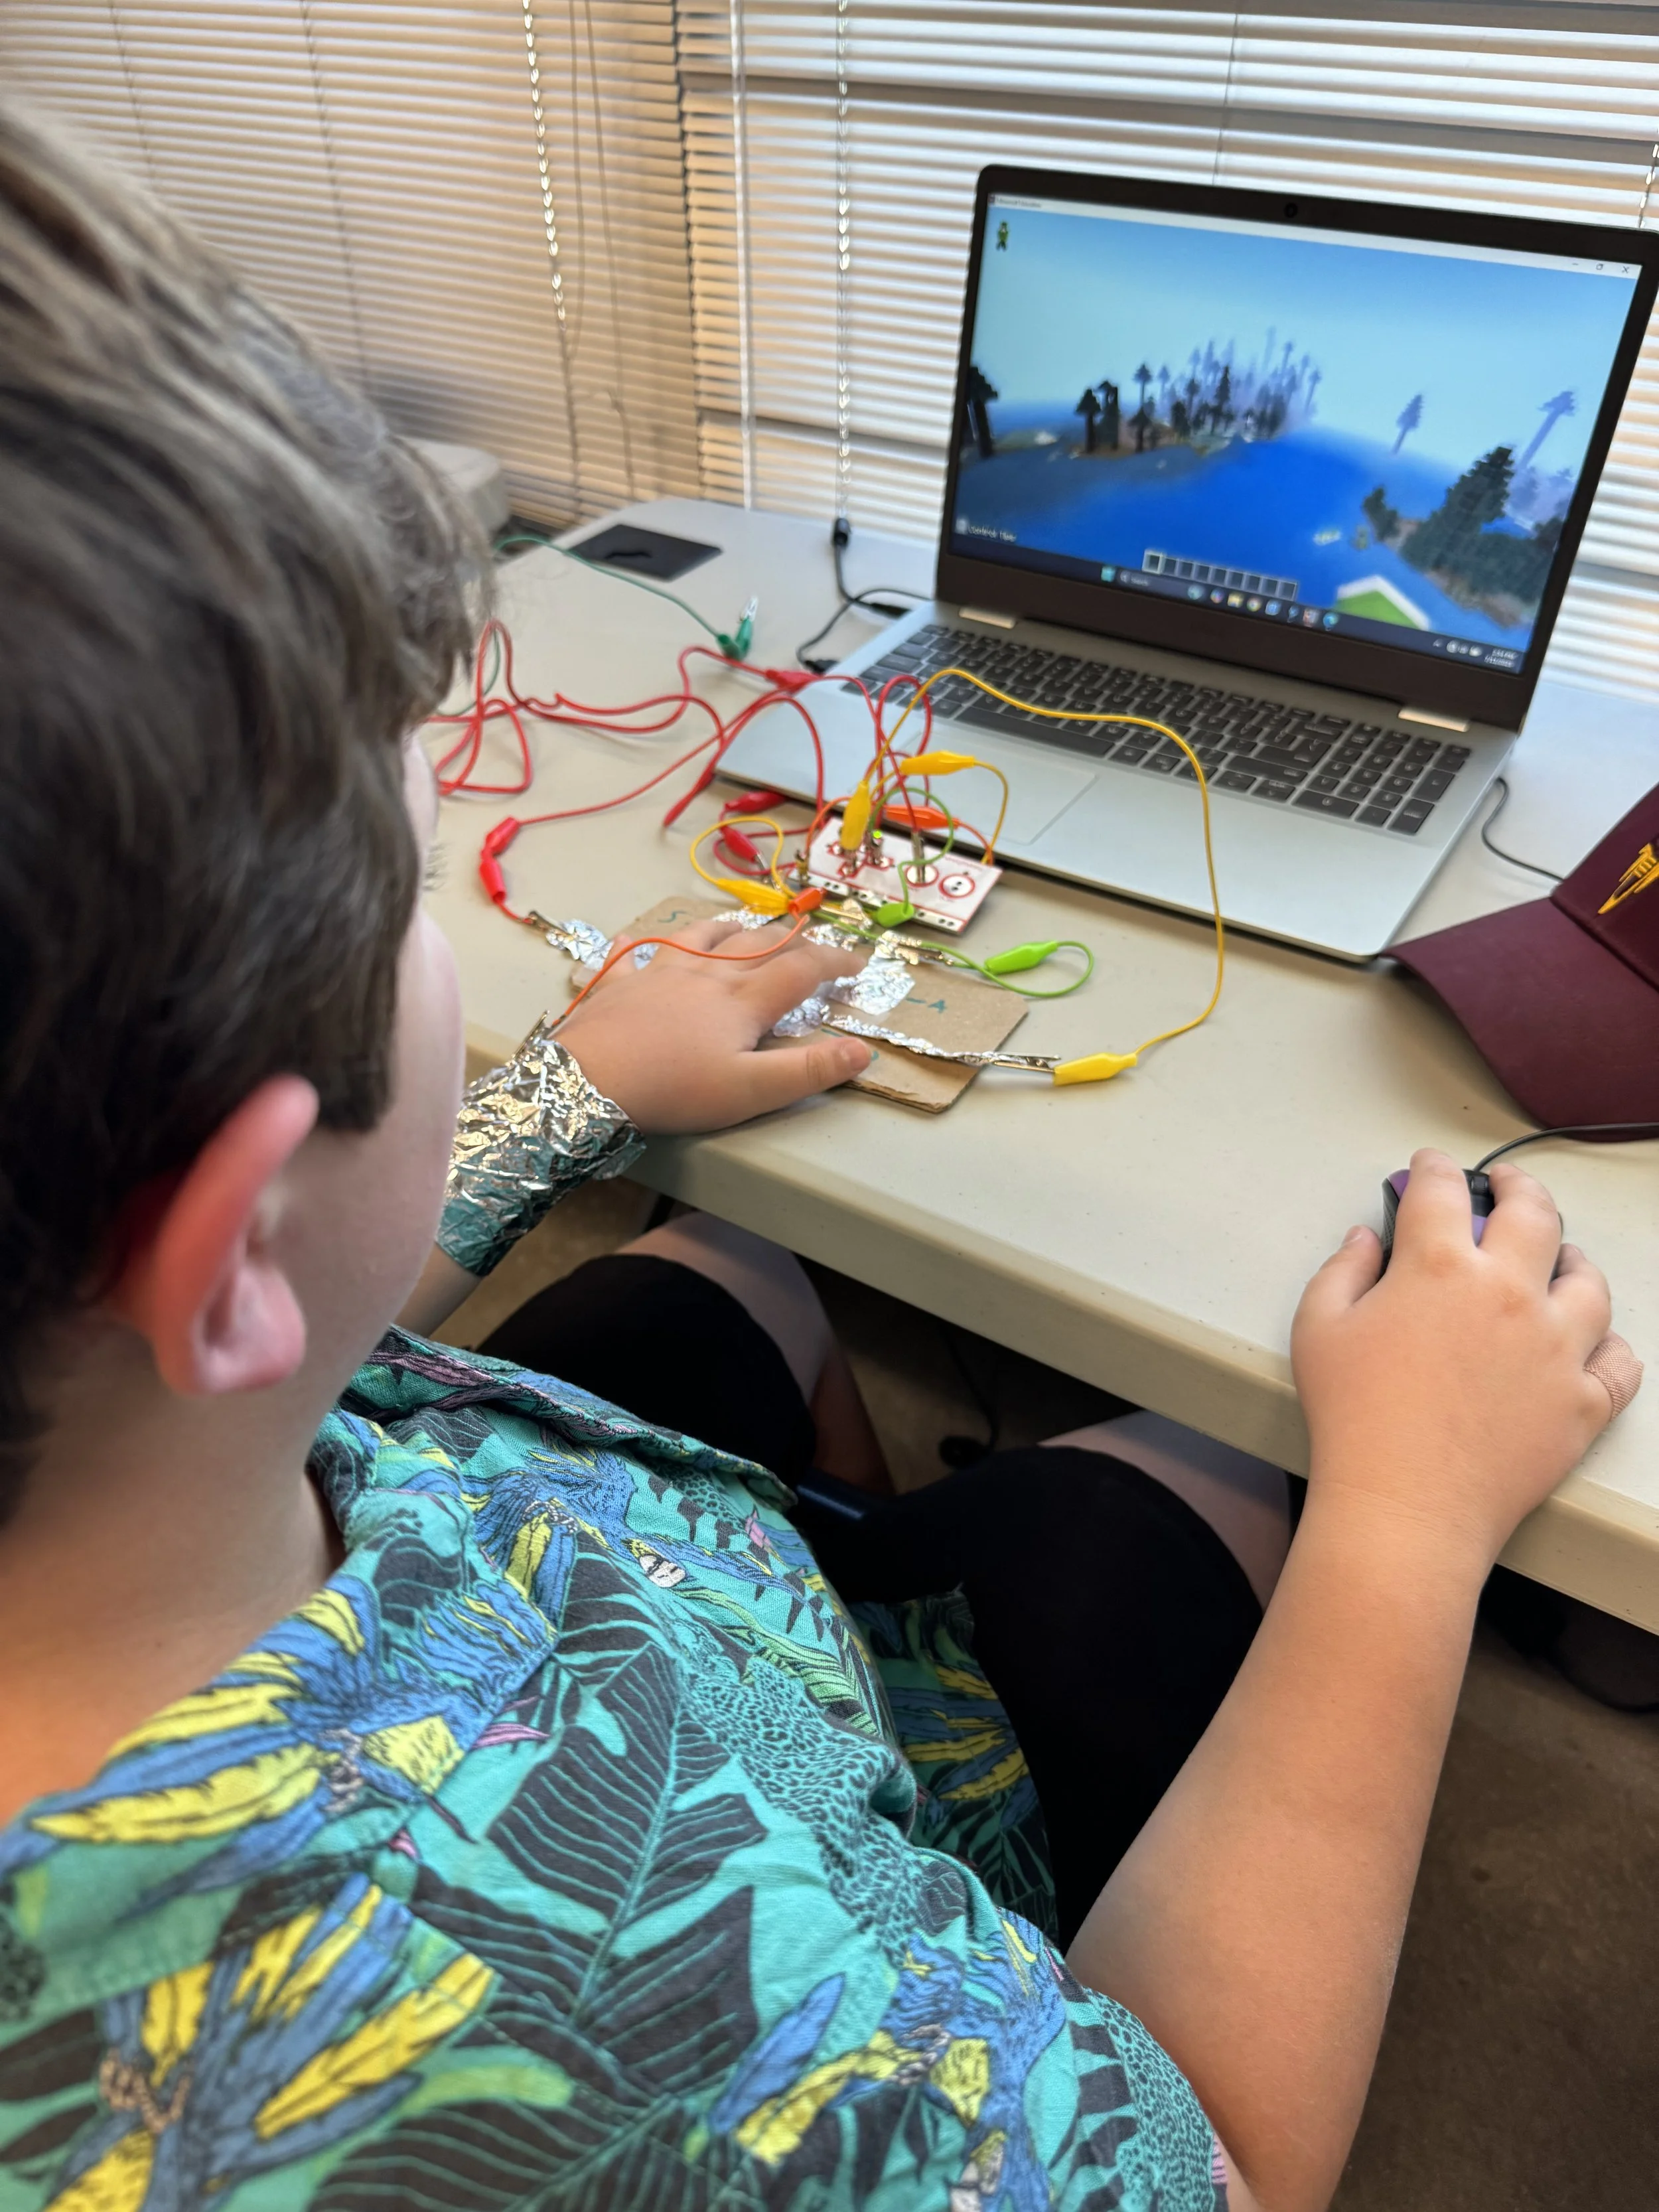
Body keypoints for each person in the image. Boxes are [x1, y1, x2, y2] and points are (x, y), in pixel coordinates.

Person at [0, 100, 1638, 2212]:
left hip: (561, 1573)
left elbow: (133, 1346)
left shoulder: (118, 1421)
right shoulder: (649, 2020)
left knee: (722, 1271)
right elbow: (1209, 2165)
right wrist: (1409, 1517)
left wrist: (552, 1096)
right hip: (773, 1873)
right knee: (1204, 1473)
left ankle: (876, 1525)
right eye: (413, 879)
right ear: (224, 1245)